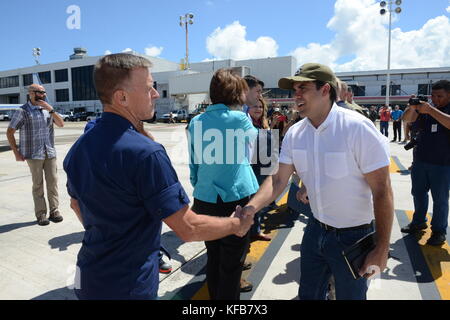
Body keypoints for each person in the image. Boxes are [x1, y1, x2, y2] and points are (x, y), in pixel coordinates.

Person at [63, 53, 254, 300]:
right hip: (130, 285)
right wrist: (236, 225)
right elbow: (188, 229)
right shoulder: (146, 153)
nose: (155, 94)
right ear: (122, 97)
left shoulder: (79, 147)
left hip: (89, 276)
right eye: (149, 88)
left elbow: (76, 203)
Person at [235, 63, 394, 300]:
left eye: (303, 88)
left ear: (325, 90)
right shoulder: (296, 133)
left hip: (354, 237)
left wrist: (381, 248)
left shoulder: (357, 128)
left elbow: (382, 191)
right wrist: (250, 209)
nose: (295, 95)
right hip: (315, 230)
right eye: (294, 89)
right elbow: (278, 179)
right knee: (309, 294)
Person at [187, 68, 259, 300]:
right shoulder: (240, 119)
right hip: (235, 197)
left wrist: (200, 185)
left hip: (205, 197)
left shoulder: (196, 121)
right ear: (235, 93)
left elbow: (193, 162)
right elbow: (256, 147)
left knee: (214, 257)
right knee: (232, 262)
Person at [400, 80, 450, 246]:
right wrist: (412, 107)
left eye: (440, 96)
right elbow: (406, 119)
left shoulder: (434, 109)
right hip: (420, 160)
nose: (435, 99)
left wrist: (431, 110)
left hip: (443, 164)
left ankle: (439, 230)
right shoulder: (426, 107)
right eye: (433, 95)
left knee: (440, 199)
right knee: (418, 193)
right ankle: (419, 221)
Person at [6, 84, 65, 226]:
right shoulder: (23, 111)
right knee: (37, 185)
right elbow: (10, 132)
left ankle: (54, 210)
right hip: (33, 154)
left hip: (49, 152)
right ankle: (41, 214)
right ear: (31, 93)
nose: (43, 95)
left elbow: (61, 124)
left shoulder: (47, 110)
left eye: (44, 92)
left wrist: (50, 109)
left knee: (53, 183)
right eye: (39, 92)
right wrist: (16, 152)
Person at [247, 97, 273, 242]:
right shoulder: (246, 124)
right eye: (255, 106)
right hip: (251, 169)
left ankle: (256, 230)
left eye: (261, 107)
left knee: (262, 201)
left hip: (263, 167)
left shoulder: (263, 124)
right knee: (251, 202)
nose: (258, 109)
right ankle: (248, 232)